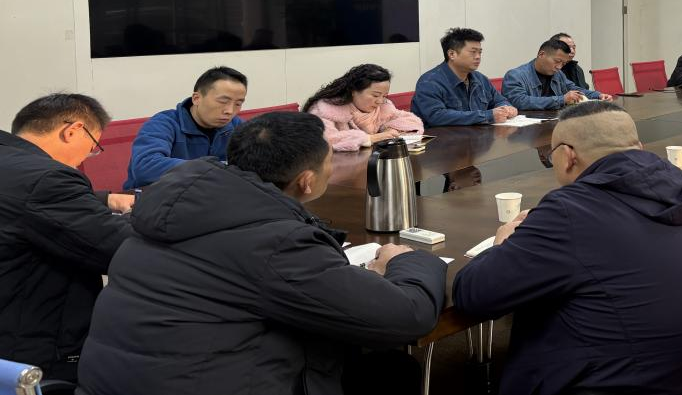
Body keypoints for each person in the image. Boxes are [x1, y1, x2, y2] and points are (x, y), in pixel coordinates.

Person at [78, 112, 447, 395]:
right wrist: (407, 260)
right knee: (391, 369)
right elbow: (406, 315)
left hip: (114, 383)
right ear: (307, 181)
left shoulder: (166, 212)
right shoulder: (275, 244)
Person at [452, 102, 682, 395]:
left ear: (567, 156)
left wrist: (502, 243)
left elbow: (475, 295)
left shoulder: (571, 210)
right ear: (638, 148)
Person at [0, 94, 134, 381]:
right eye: (93, 147)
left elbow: (23, 202)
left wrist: (103, 199)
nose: (86, 158)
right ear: (72, 131)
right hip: (30, 347)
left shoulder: (12, 164)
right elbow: (119, 247)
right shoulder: (49, 179)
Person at [124, 66, 247, 188]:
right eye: (223, 101)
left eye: (238, 104)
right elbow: (145, 167)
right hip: (158, 195)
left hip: (208, 193)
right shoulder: (164, 123)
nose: (230, 111)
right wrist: (212, 169)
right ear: (196, 98)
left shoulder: (236, 126)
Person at [411, 28, 518, 126]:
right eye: (473, 52)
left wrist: (507, 108)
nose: (478, 57)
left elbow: (499, 100)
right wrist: (487, 116)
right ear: (452, 54)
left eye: (480, 52)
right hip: (443, 139)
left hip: (477, 137)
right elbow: (436, 116)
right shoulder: (429, 82)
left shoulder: (481, 79)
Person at [304, 64, 423, 151]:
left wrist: (389, 130)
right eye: (375, 95)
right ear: (353, 91)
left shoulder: (384, 107)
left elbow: (411, 121)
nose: (380, 101)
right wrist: (371, 138)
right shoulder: (326, 109)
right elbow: (326, 140)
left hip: (372, 163)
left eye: (384, 96)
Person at [502, 39, 612, 110]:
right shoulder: (515, 76)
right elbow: (520, 102)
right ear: (541, 54)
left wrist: (598, 95)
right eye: (557, 61)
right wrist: (561, 99)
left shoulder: (558, 74)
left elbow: (574, 89)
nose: (559, 67)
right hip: (526, 131)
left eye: (563, 64)